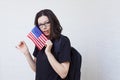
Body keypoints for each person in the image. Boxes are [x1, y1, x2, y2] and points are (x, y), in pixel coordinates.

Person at [16, 9, 71, 80]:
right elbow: (36, 69)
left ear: (53, 22)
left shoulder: (63, 41)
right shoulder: (40, 40)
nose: (44, 27)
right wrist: (26, 53)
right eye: (40, 25)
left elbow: (63, 74)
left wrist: (48, 52)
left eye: (47, 23)